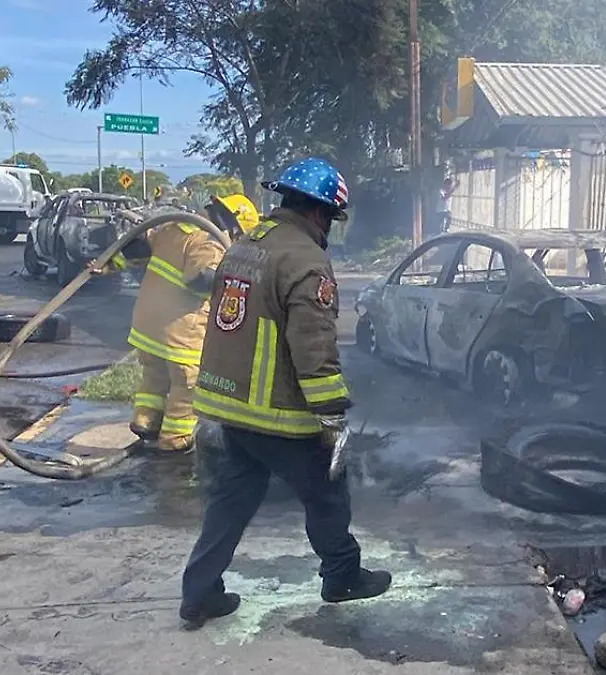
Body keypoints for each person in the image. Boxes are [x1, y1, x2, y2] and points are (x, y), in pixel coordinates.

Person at [180, 157, 391, 631]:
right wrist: (332, 415)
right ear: (320, 213)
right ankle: (342, 577)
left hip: (228, 406)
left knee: (231, 499)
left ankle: (199, 592)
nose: (329, 229)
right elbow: (313, 345)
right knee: (327, 491)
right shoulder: (306, 261)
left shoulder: (244, 246)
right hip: (276, 412)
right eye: (331, 220)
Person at [102, 198, 234, 454]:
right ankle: (175, 439)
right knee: (187, 386)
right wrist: (227, 274)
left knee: (155, 376)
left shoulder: (171, 228)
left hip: (147, 327)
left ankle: (145, 421)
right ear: (229, 224)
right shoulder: (207, 243)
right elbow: (202, 280)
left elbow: (135, 252)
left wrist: (106, 265)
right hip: (181, 333)